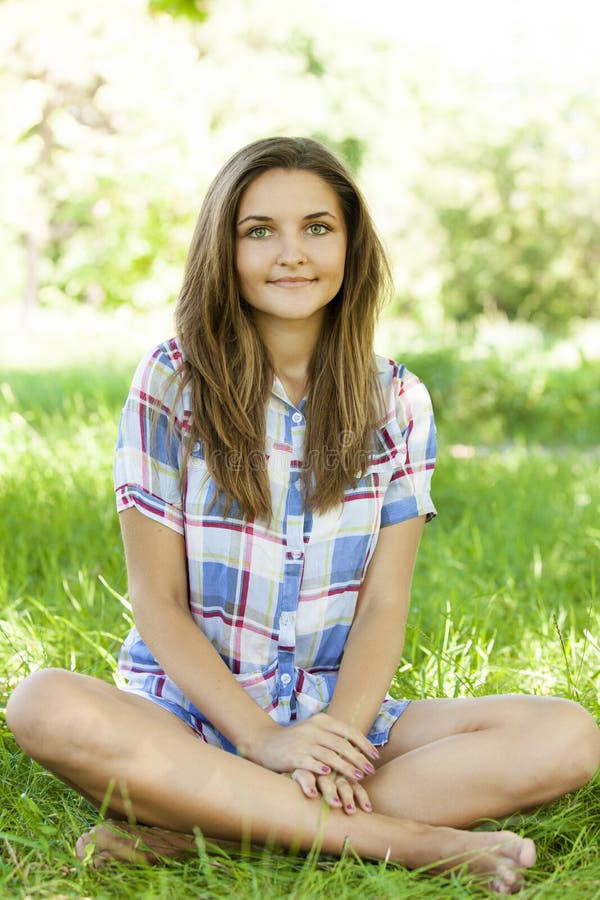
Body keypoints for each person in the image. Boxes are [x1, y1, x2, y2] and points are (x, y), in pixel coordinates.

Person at [6, 137, 599, 894]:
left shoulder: (397, 403)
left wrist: (339, 739)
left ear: (352, 244)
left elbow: (385, 602)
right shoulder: (172, 379)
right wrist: (259, 738)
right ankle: (398, 841)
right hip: (186, 718)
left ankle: (194, 832)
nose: (292, 253)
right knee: (45, 703)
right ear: (225, 247)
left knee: (566, 736)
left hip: (329, 706)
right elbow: (156, 600)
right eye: (261, 231)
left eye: (318, 227)